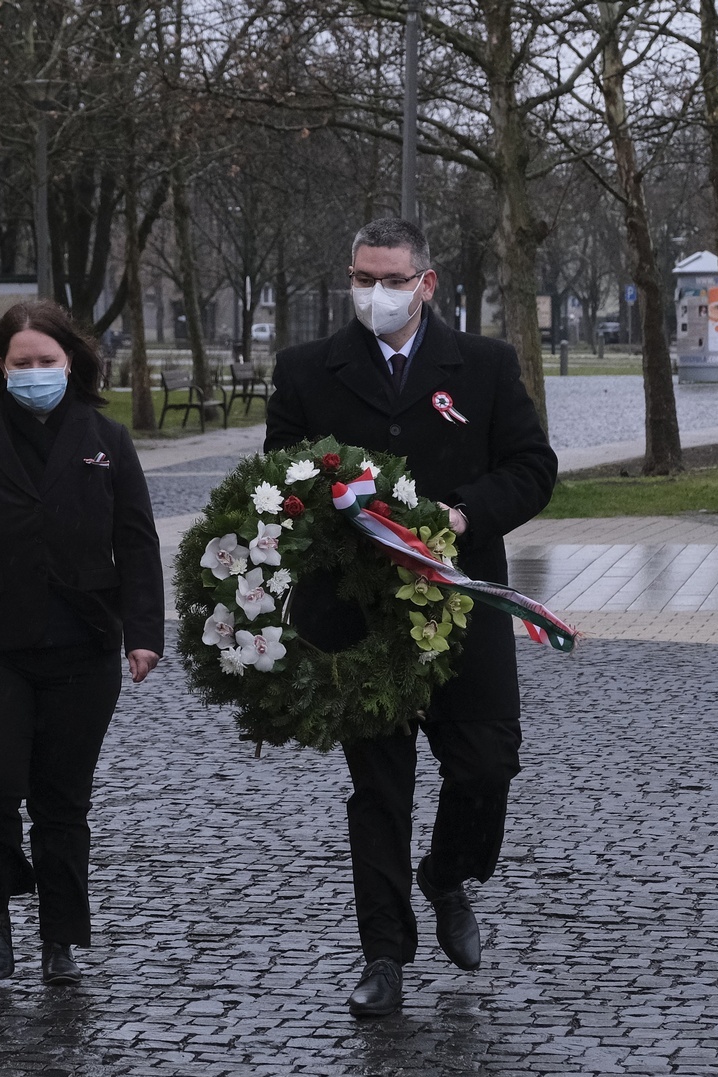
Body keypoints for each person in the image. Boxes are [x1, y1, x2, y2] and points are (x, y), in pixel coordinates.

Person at [264, 218, 557, 1018]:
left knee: (486, 764)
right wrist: (327, 510)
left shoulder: (485, 366)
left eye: (392, 280)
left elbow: (533, 467)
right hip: (355, 613)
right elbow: (281, 476)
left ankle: (447, 873)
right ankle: (384, 955)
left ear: (426, 284)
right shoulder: (306, 370)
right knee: (380, 791)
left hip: (461, 602)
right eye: (363, 278)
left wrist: (462, 514)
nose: (375, 294)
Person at [0, 299, 163, 986]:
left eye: (46, 360)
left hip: (84, 642)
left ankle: (60, 938)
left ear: (70, 362)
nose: (35, 371)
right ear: (1, 367)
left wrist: (144, 633)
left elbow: (137, 541)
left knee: (63, 800)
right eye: (22, 362)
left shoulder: (107, 438)